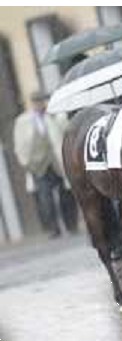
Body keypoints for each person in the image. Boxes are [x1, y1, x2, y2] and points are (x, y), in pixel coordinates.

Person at [13, 90, 78, 238]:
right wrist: (26, 162)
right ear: (32, 103)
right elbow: (20, 144)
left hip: (57, 162)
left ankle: (71, 224)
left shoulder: (53, 117)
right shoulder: (23, 121)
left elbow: (64, 135)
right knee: (45, 198)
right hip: (38, 165)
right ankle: (53, 228)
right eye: (37, 102)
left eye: (42, 101)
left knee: (66, 194)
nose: (40, 105)